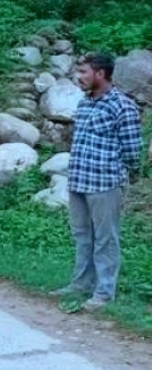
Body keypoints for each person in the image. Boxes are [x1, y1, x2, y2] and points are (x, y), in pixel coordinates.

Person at [50, 53, 142, 312]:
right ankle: (80, 284)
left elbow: (133, 151)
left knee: (105, 239)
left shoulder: (122, 106)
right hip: (79, 181)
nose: (79, 78)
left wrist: (119, 175)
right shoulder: (85, 103)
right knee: (82, 236)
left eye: (84, 73)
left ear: (100, 74)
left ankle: (103, 293)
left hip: (104, 184)